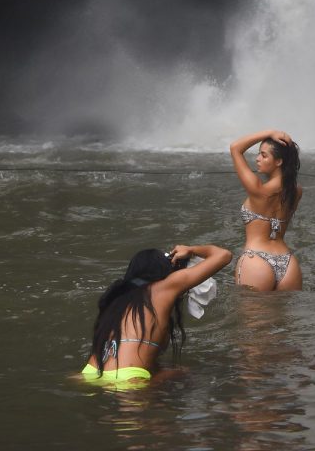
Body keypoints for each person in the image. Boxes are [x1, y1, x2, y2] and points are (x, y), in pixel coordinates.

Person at [81, 243, 232, 385]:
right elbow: (223, 255)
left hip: (91, 373)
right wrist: (191, 249)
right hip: (129, 378)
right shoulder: (164, 287)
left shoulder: (116, 298)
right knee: (188, 372)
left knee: (166, 370)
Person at [229, 129, 303, 292]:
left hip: (256, 260)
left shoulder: (258, 190)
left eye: (263, 155)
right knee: (284, 318)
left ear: (278, 162)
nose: (257, 159)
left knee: (253, 318)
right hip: (288, 263)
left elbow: (235, 148)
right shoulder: (296, 192)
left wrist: (269, 132)